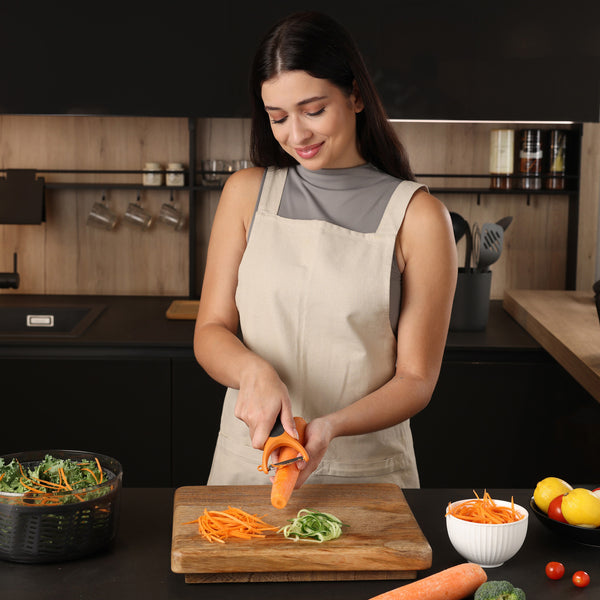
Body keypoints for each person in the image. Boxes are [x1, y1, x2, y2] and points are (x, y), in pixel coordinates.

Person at [194, 11, 457, 489]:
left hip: (368, 476)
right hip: (249, 464)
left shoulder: (418, 218)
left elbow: (416, 379)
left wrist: (331, 426)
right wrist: (253, 371)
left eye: (313, 110)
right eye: (278, 117)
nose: (297, 135)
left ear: (355, 95)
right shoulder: (244, 194)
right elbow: (210, 330)